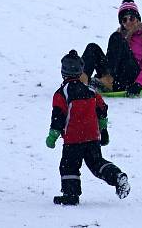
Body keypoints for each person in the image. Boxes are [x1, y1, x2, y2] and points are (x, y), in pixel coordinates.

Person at [46, 50, 130, 206]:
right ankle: (117, 176)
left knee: (69, 166)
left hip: (73, 139)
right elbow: (102, 110)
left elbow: (58, 116)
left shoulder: (61, 93)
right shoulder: (91, 92)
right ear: (80, 71)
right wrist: (103, 130)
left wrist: (52, 136)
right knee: (97, 163)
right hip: (92, 137)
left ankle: (71, 195)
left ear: (63, 72)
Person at [81, 0, 142, 95]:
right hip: (116, 77)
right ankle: (81, 83)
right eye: (124, 19)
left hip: (131, 81)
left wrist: (139, 84)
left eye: (132, 18)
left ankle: (108, 80)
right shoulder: (121, 35)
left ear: (138, 19)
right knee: (92, 48)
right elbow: (112, 60)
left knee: (116, 37)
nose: (128, 22)